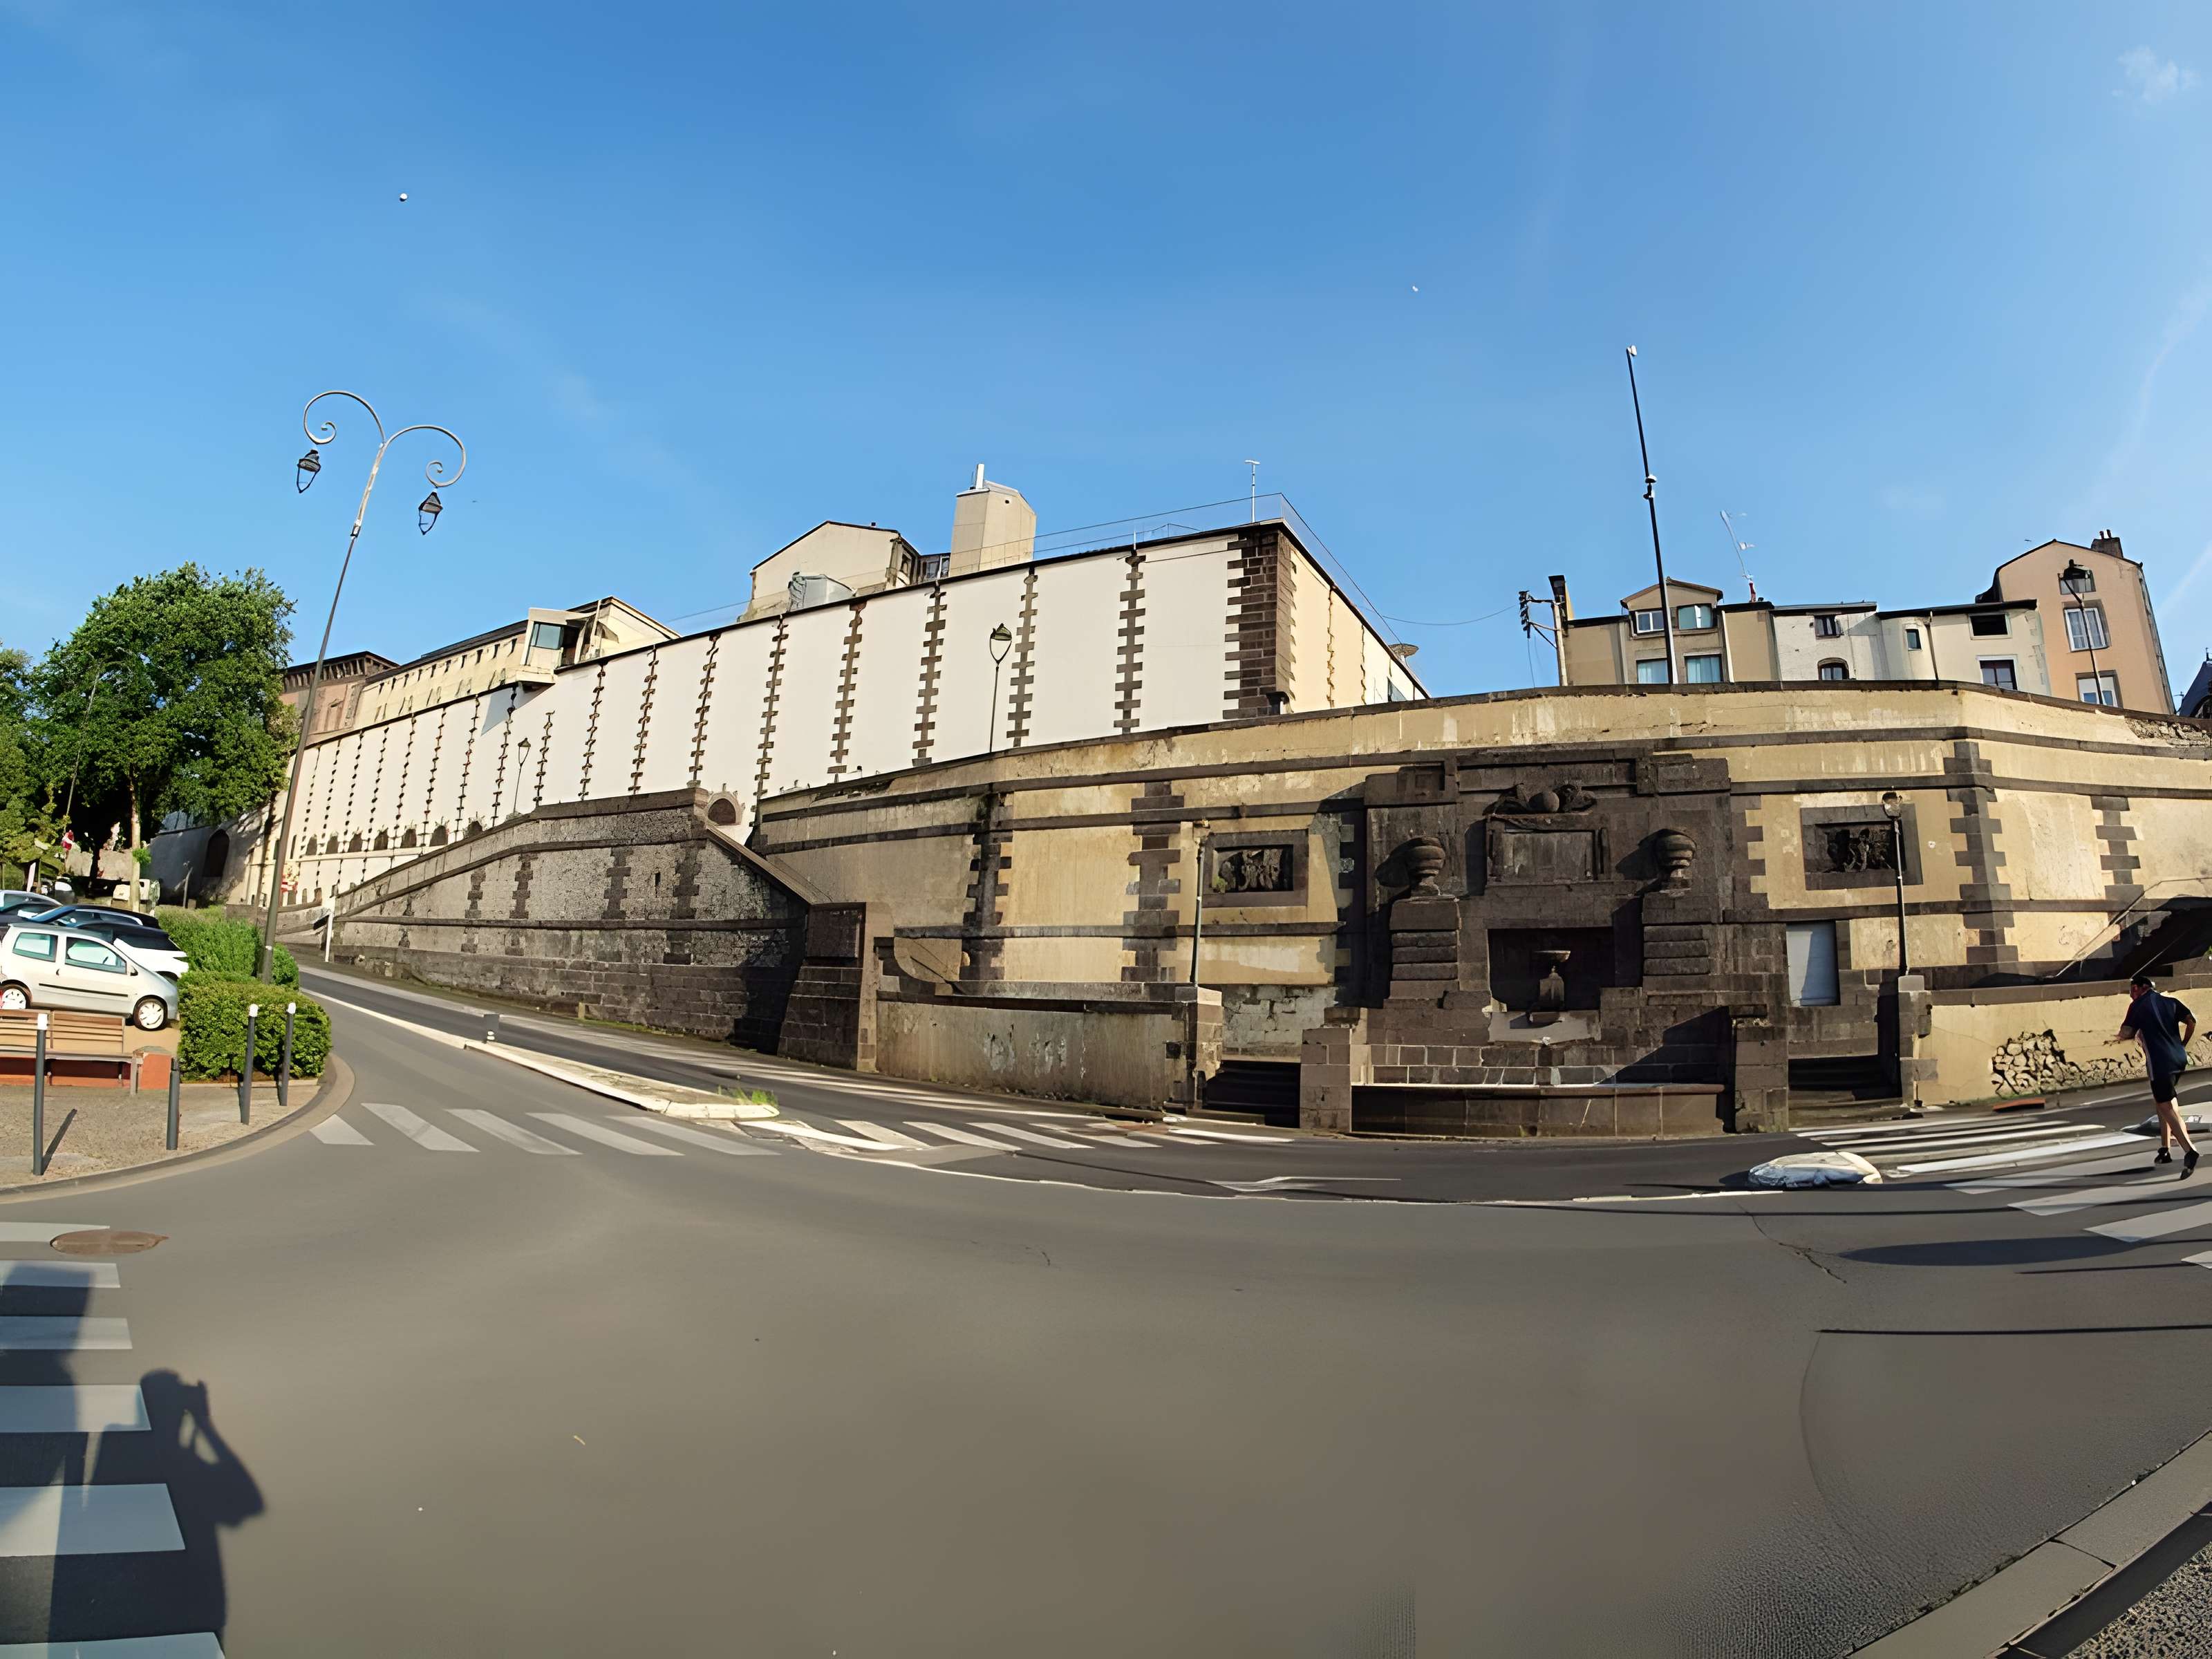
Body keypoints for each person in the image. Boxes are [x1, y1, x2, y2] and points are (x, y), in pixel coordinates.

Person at [2114, 973, 2200, 1174]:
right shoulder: (2170, 1002)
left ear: (2141, 988)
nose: (2130, 994)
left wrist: (2114, 1038)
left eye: (2132, 989)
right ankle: (2165, 1149)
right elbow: (2192, 1021)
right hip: (2179, 1058)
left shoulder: (2138, 1006)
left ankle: (2190, 1150)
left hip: (2160, 1062)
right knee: (2164, 1101)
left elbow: (2126, 1032)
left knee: (2165, 1105)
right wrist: (2182, 1044)